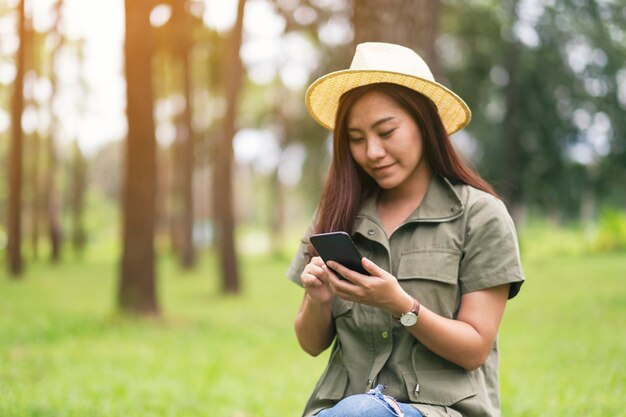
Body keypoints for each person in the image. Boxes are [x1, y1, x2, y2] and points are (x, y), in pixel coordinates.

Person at [286, 42, 525, 417]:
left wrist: (401, 305)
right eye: (357, 138)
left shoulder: (480, 215)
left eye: (387, 131)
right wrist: (319, 300)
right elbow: (310, 343)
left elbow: (475, 346)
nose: (373, 152)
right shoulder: (335, 214)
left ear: (424, 124)